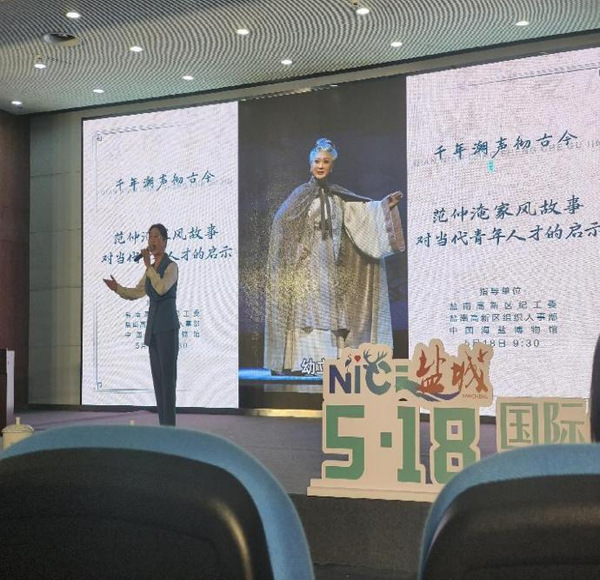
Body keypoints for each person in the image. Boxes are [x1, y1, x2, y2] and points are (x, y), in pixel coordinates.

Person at [264, 138, 405, 374]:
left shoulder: (337, 199)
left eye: (325, 162)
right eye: (317, 161)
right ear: (310, 165)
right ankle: (301, 362)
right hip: (306, 265)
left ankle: (326, 362)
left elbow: (362, 216)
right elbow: (282, 223)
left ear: (332, 166)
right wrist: (297, 249)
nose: (320, 166)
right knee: (307, 310)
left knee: (328, 310)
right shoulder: (300, 195)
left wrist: (383, 206)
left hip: (329, 265)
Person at [103, 224, 180, 425]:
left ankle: (170, 427)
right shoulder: (150, 270)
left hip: (167, 327)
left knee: (168, 380)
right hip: (153, 329)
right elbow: (136, 292)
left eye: (156, 237)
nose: (152, 241)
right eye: (150, 237)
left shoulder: (171, 267)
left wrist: (148, 266)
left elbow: (161, 288)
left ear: (164, 241)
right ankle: (163, 425)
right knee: (158, 381)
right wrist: (117, 288)